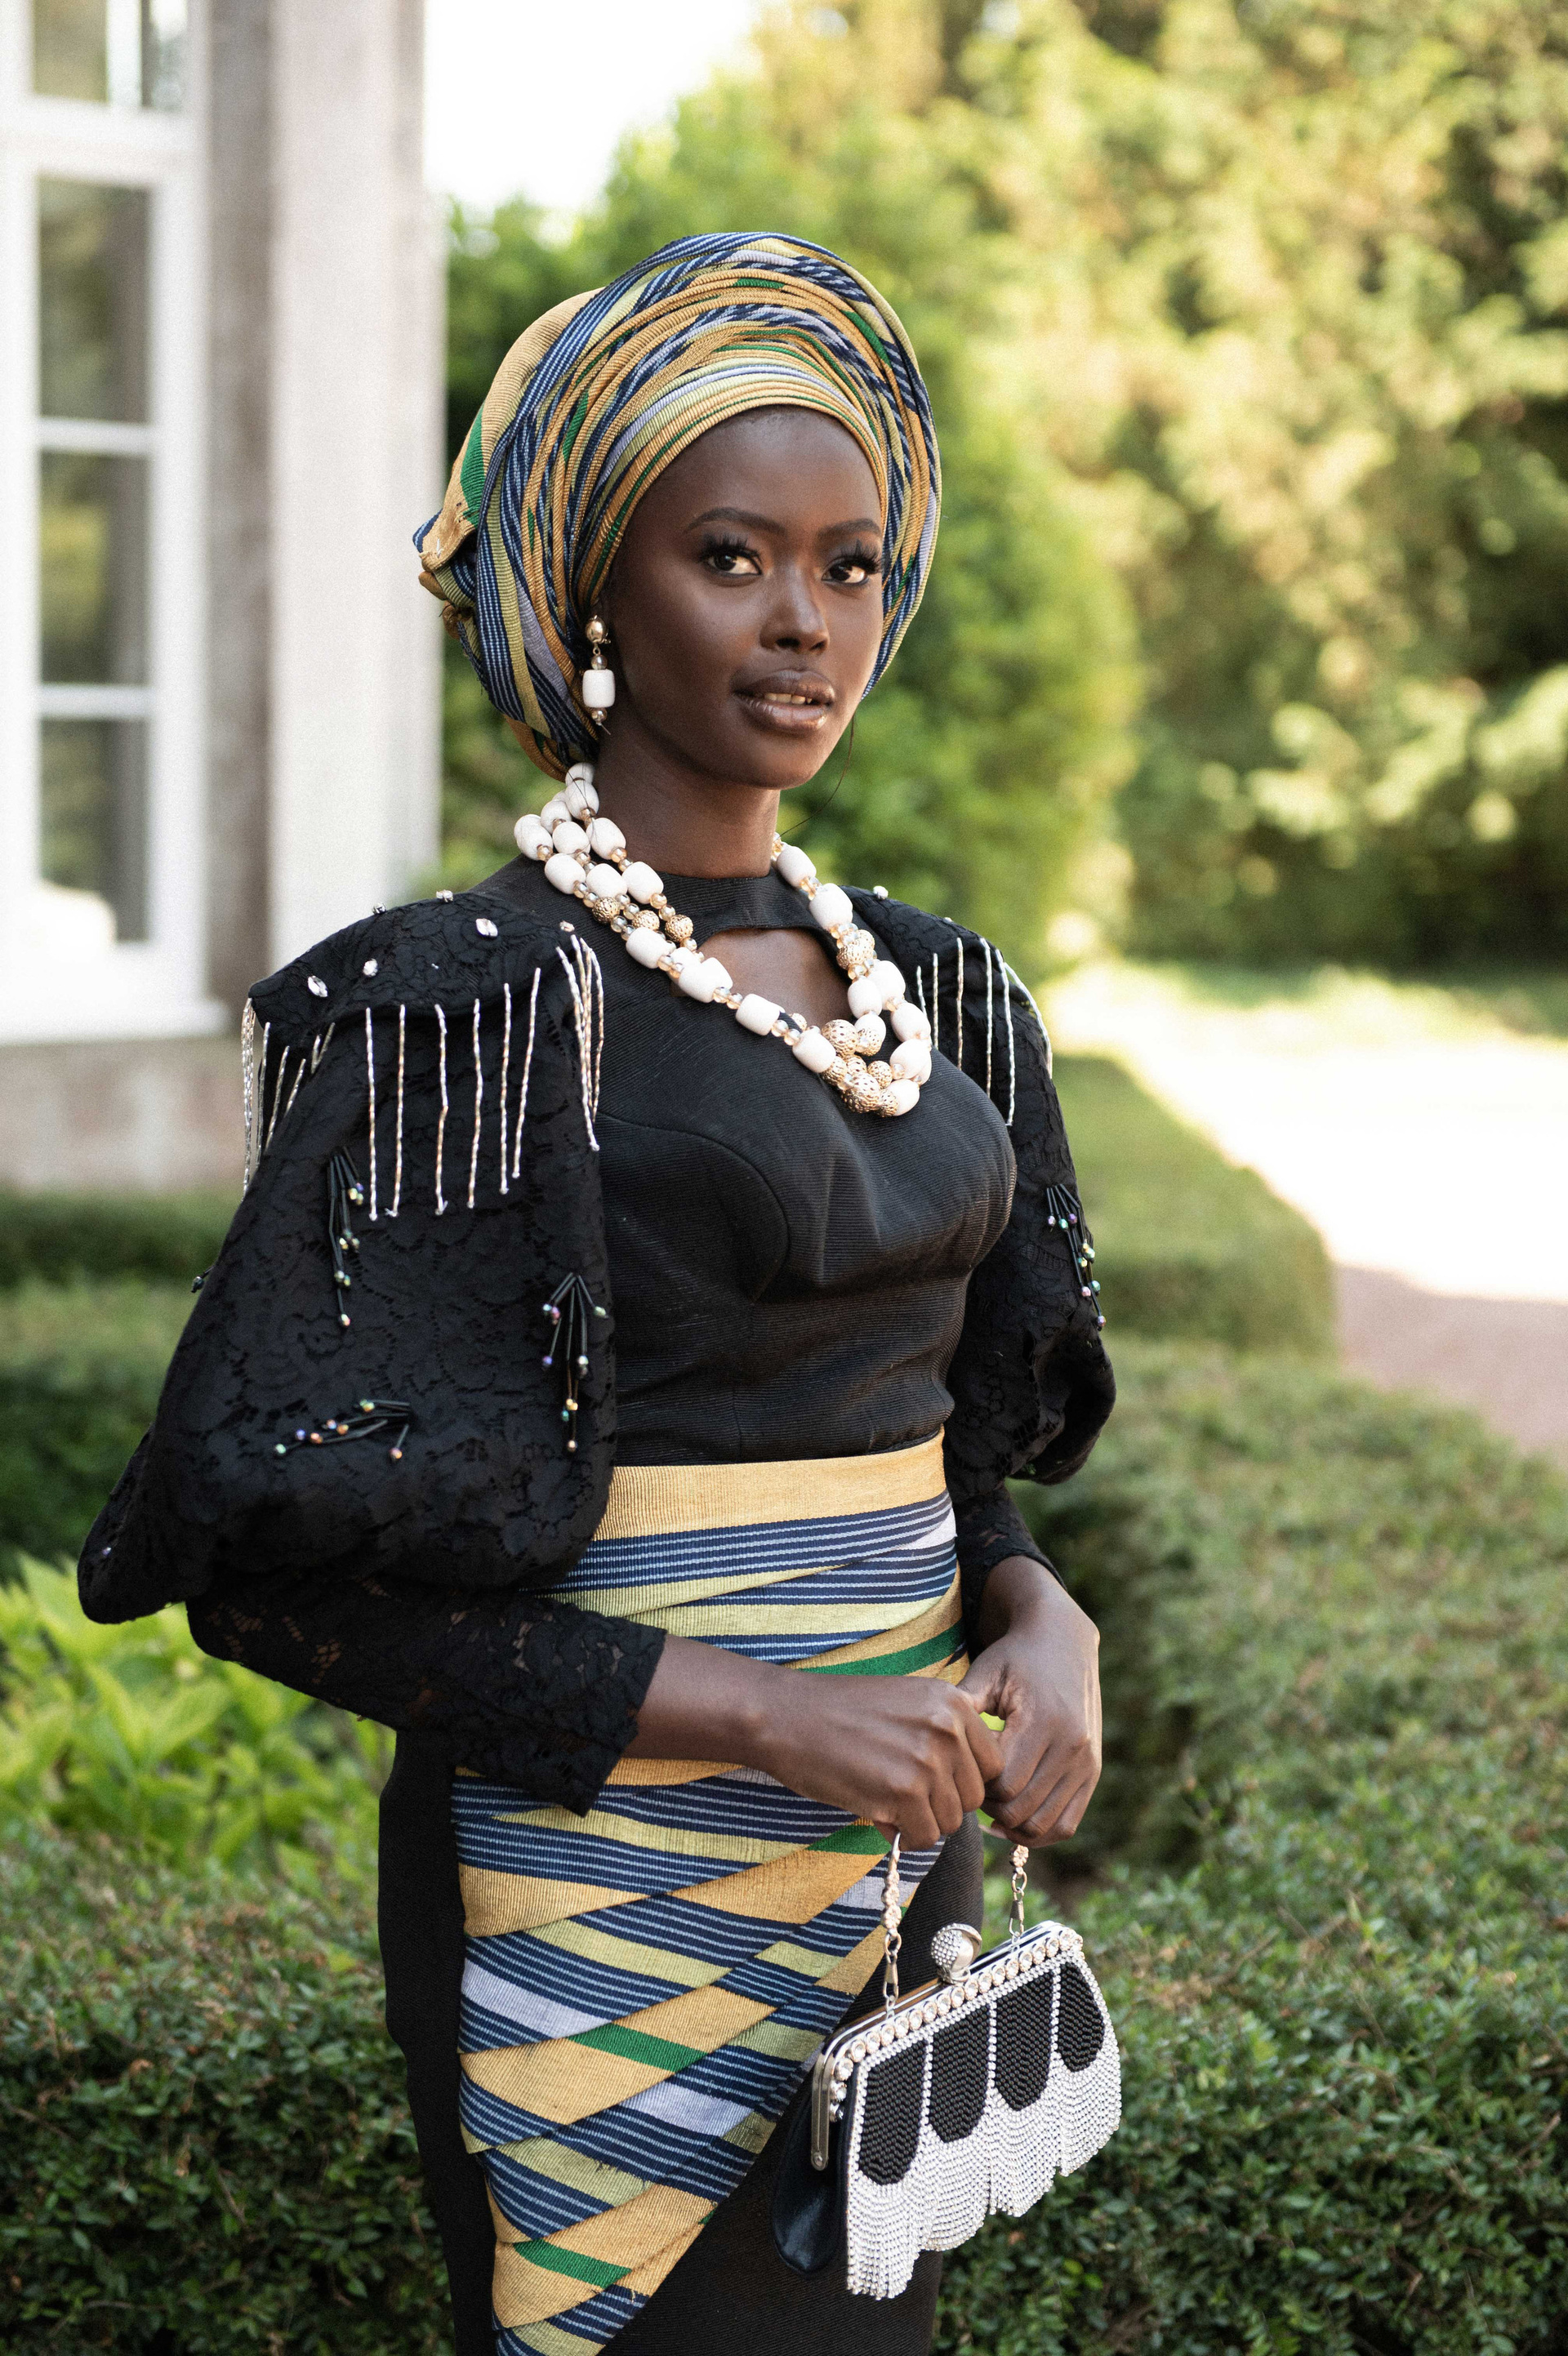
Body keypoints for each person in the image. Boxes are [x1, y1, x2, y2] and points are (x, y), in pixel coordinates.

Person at [80, 231, 1114, 2356]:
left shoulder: (939, 990)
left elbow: (937, 1440)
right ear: (591, 598)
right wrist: (769, 1714)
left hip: (885, 1869)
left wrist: (1031, 1600)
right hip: (594, 1897)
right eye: (733, 558)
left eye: (849, 567)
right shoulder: (468, 1014)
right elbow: (277, 1584)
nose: (805, 620)